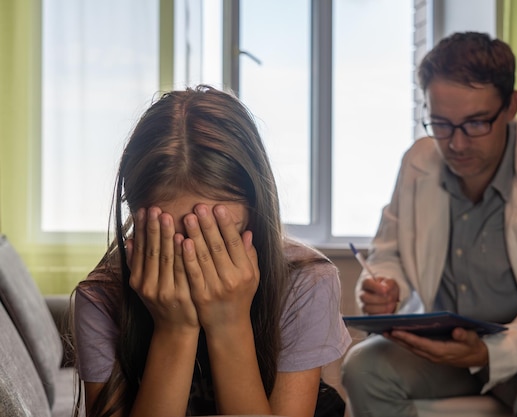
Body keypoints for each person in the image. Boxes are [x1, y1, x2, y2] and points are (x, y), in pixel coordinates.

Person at [341, 32, 517, 417]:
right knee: (362, 368)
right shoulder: (418, 162)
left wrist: (487, 351)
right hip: (442, 347)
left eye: (476, 123)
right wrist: (383, 287)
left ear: (511, 106)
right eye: (441, 125)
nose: (457, 145)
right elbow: (388, 254)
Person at [72, 85, 351, 417]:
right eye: (172, 241)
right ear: (135, 219)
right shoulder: (101, 298)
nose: (197, 262)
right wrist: (174, 331)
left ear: (256, 211)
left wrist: (229, 325)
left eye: (218, 238)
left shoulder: (306, 284)